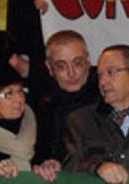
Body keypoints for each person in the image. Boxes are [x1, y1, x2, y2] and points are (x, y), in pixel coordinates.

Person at [64, 44, 129, 184]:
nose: (102, 82)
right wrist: (97, 167)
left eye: (111, 72)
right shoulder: (81, 120)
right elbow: (68, 168)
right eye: (100, 74)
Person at [36, 30, 100, 164]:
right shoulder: (41, 108)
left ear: (88, 61)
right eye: (61, 66)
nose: (71, 73)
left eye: (78, 63)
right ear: (49, 67)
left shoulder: (108, 100)